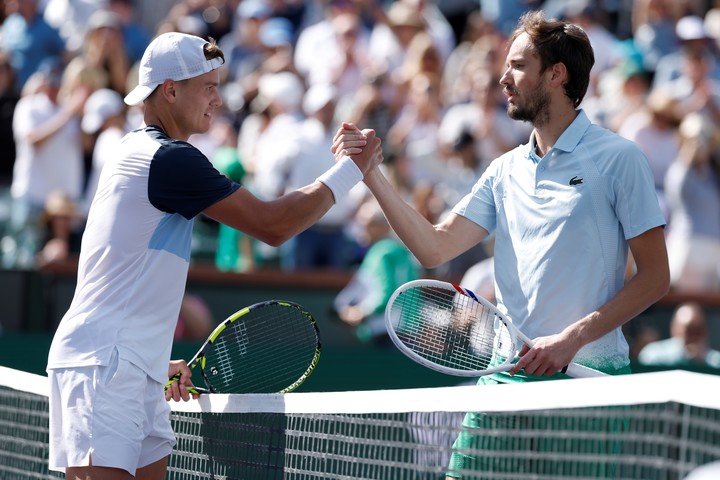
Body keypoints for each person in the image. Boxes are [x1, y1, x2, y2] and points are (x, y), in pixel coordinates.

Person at [334, 10, 669, 477]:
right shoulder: (503, 169)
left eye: (517, 65)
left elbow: (656, 278)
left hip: (589, 386)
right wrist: (373, 176)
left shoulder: (619, 159)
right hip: (502, 382)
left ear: (556, 74)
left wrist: (570, 340)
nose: (503, 78)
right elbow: (433, 248)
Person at [45, 31, 381, 480]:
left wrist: (149, 358)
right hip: (105, 365)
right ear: (170, 90)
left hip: (128, 364)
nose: (218, 100)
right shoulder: (166, 159)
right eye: (209, 87)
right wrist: (350, 171)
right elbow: (274, 225)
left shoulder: (140, 152)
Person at [637, 302, 720, 369]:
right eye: (689, 331)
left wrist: (699, 362)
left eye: (698, 331)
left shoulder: (716, 362)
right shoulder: (654, 355)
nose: (693, 337)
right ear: (674, 329)